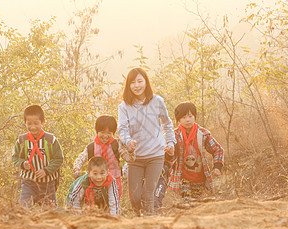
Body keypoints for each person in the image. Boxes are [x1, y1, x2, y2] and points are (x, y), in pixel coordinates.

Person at [118, 67, 176, 216]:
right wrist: (128, 141)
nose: (137, 86)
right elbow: (122, 130)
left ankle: (150, 225)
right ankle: (140, 221)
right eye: (132, 82)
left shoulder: (157, 101)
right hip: (135, 157)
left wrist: (170, 143)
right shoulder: (124, 107)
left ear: (146, 82)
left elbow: (167, 124)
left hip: (156, 155)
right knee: (135, 198)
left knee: (148, 195)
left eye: (139, 81)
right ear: (128, 86)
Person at [169, 102, 224, 202]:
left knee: (199, 206)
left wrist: (217, 167)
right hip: (182, 178)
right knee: (187, 203)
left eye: (190, 116)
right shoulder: (174, 135)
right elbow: (168, 157)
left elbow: (218, 149)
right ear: (178, 119)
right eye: (183, 117)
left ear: (195, 117)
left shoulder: (203, 134)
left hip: (200, 178)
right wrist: (169, 152)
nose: (188, 119)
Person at [12, 104, 64, 208]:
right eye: (29, 123)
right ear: (25, 123)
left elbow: (59, 159)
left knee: (50, 213)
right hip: (28, 183)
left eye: (36, 123)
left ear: (43, 122)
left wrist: (46, 170)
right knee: (24, 209)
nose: (33, 127)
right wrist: (22, 163)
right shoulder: (22, 140)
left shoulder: (51, 140)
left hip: (48, 184)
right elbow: (15, 157)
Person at [73, 115, 135, 198]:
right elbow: (81, 158)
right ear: (97, 131)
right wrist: (76, 169)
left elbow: (130, 159)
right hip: (96, 182)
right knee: (96, 207)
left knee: (113, 205)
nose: (105, 136)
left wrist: (131, 151)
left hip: (114, 181)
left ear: (113, 133)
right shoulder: (91, 147)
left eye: (109, 133)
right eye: (102, 132)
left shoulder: (116, 144)